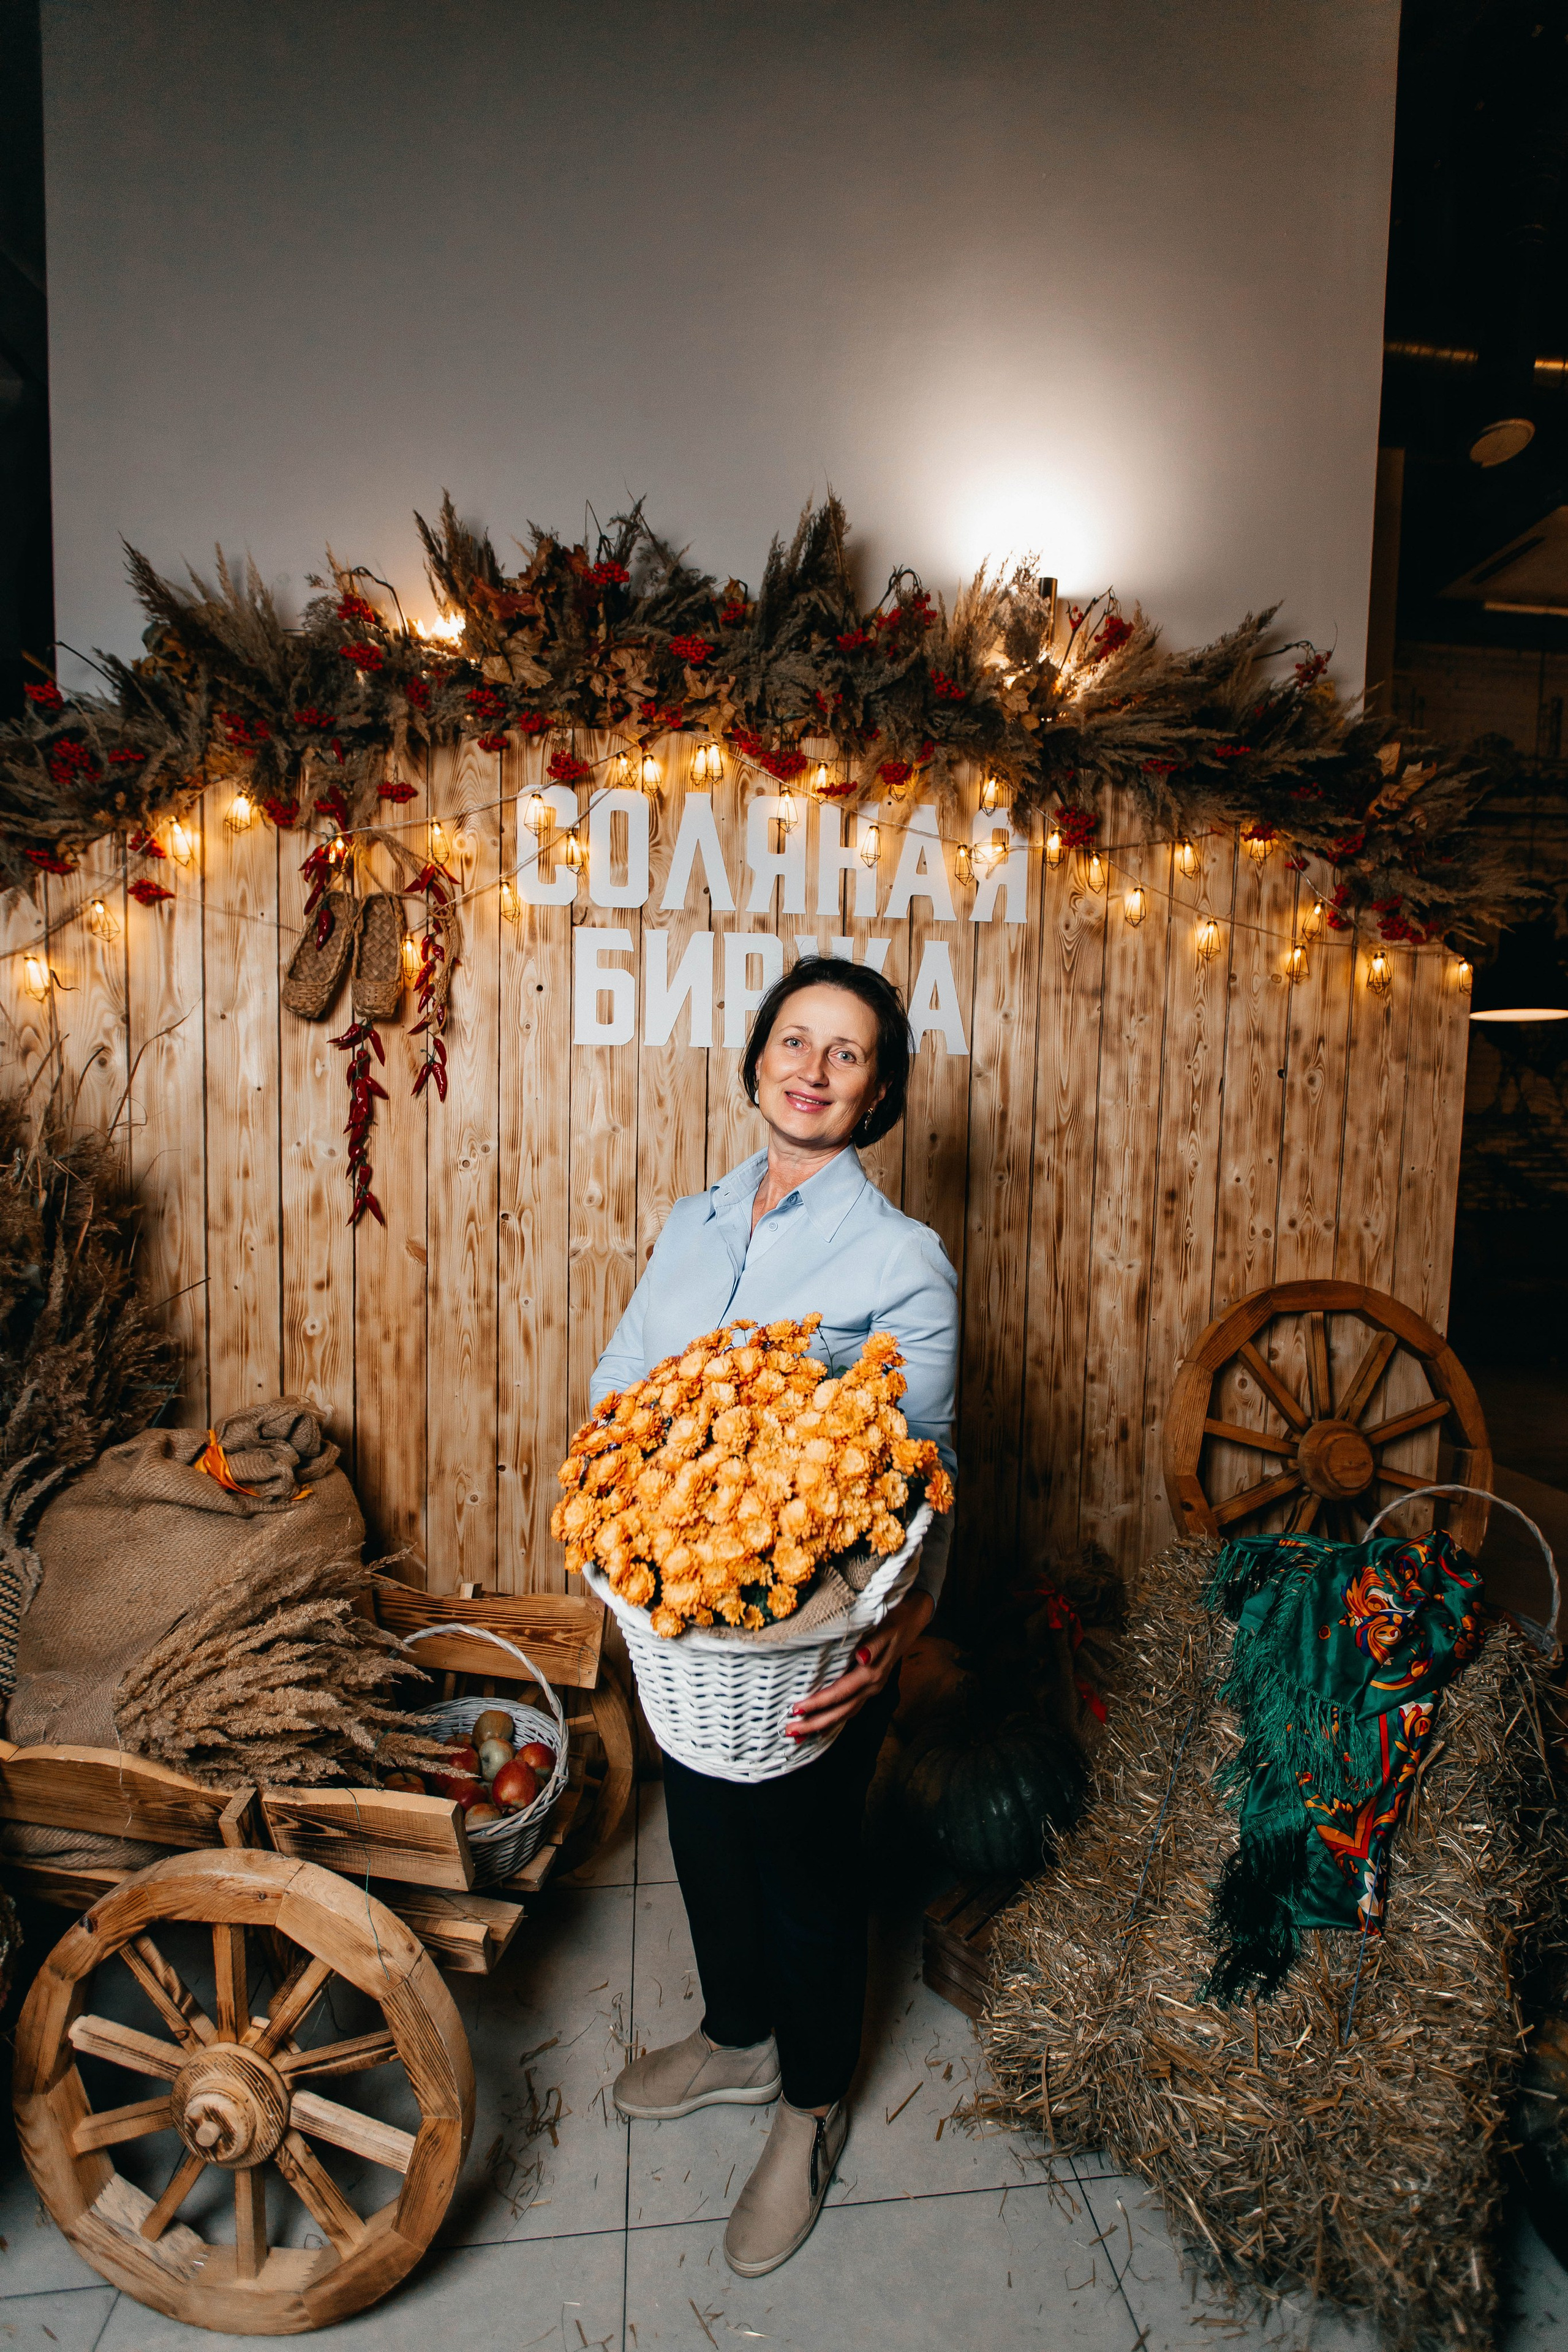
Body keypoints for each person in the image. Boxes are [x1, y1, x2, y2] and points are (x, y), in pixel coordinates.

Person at [598, 955, 959, 2277]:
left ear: (875, 1095)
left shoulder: (897, 1256)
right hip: (679, 1631)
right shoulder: (690, 1226)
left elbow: (928, 1467)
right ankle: (735, 2039)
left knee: (806, 1872)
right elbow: (615, 1386)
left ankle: (807, 2108)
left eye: (845, 1054)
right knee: (699, 1835)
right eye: (791, 1042)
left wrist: (898, 1639)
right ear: (755, 1062)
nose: (810, 1070)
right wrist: (636, 1512)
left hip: (814, 1640)